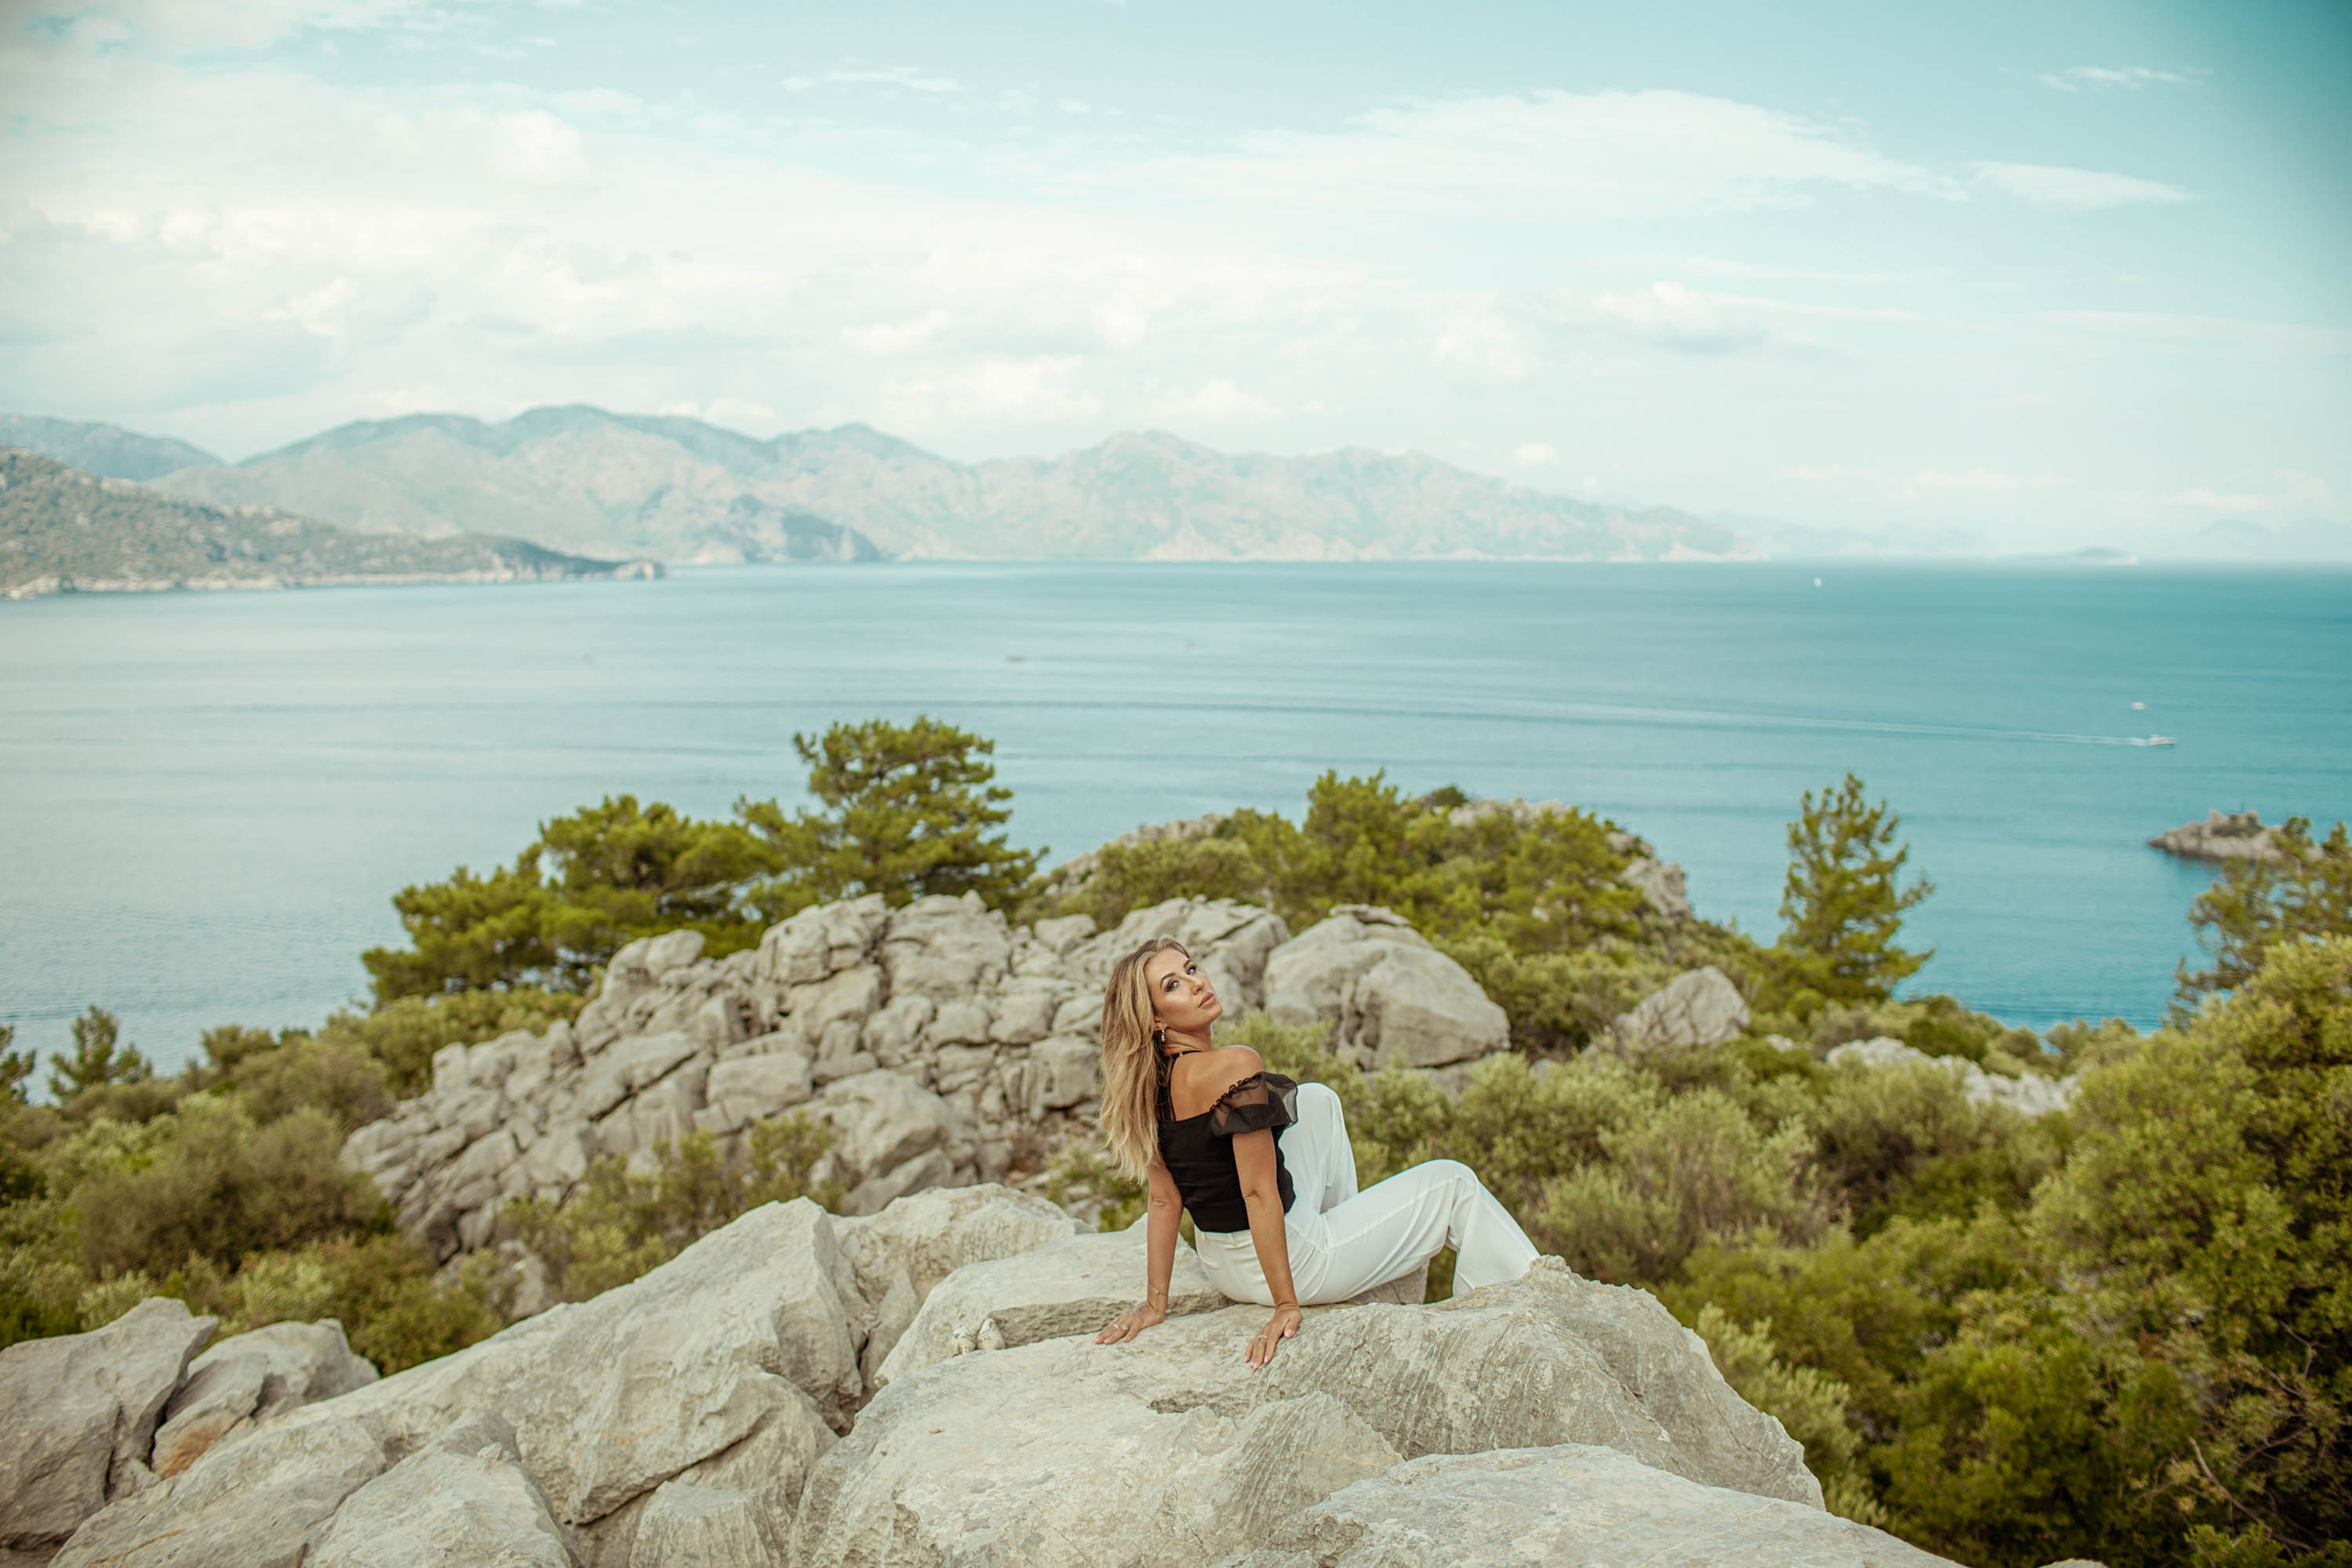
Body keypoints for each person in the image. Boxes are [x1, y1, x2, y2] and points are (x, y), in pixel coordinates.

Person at [1092, 935, 1541, 1368]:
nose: (1196, 982)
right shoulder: (1233, 1065)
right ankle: (1525, 1313)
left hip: (1221, 1265)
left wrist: (1155, 1304)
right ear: (1155, 1019)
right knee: (1455, 1183)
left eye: (1191, 969)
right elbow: (1257, 1193)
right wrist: (1286, 1304)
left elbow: (1164, 1200)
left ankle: (1346, 1231)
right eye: (1173, 985)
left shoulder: (1146, 1085)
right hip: (1290, 1263)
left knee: (1316, 1099)